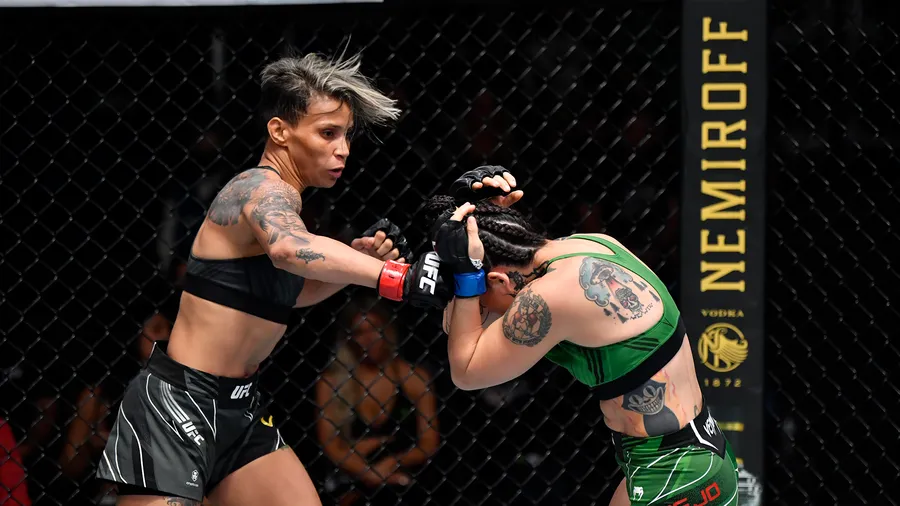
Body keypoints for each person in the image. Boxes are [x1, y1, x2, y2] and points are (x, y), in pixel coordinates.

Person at [95, 51, 450, 506]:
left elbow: (289, 292)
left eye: (347, 135)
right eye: (328, 133)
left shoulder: (286, 204)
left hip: (240, 407)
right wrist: (397, 276)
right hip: (179, 402)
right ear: (280, 131)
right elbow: (289, 248)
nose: (343, 148)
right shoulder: (258, 188)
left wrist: (356, 267)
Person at [429, 166, 739, 505]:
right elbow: (465, 327)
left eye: (481, 296)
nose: (481, 306)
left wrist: (466, 276)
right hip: (689, 456)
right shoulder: (589, 244)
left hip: (675, 473)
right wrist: (473, 217)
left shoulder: (548, 296)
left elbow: (466, 370)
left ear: (498, 281)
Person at [315, 296, 439, 506]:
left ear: (387, 330)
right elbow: (331, 446)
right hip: (350, 483)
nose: (368, 338)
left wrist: (393, 462)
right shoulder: (332, 382)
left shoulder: (414, 378)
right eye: (360, 332)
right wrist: (369, 473)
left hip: (404, 481)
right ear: (349, 337)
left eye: (374, 329)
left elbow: (428, 442)